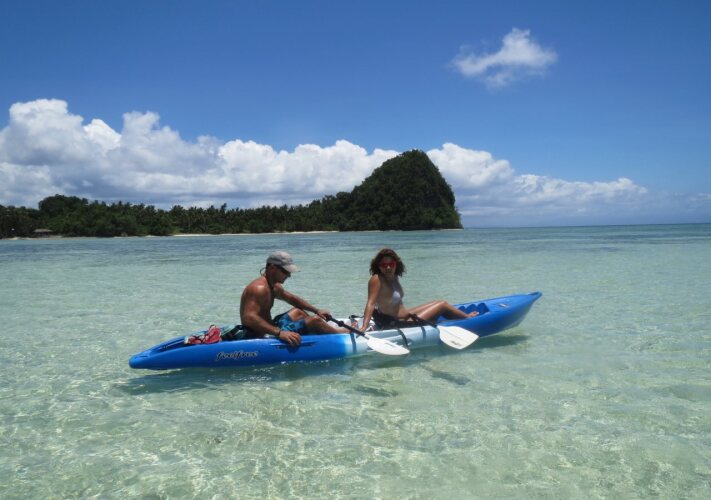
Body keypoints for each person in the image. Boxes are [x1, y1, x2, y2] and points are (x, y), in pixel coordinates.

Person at [239, 250, 348, 346]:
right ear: (272, 268)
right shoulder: (259, 288)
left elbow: (292, 299)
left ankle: (318, 333)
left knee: (298, 312)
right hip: (261, 334)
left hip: (271, 327)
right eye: (285, 271)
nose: (289, 275)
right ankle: (341, 334)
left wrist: (316, 310)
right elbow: (249, 318)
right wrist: (279, 333)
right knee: (315, 321)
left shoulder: (273, 286)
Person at [360, 248, 478, 331]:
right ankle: (469, 320)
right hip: (396, 323)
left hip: (406, 316)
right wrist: (364, 326)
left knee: (437, 302)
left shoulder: (394, 277)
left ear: (396, 264)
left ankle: (460, 318)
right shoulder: (377, 279)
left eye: (391, 264)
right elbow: (371, 303)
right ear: (378, 266)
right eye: (384, 265)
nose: (388, 267)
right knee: (442, 305)